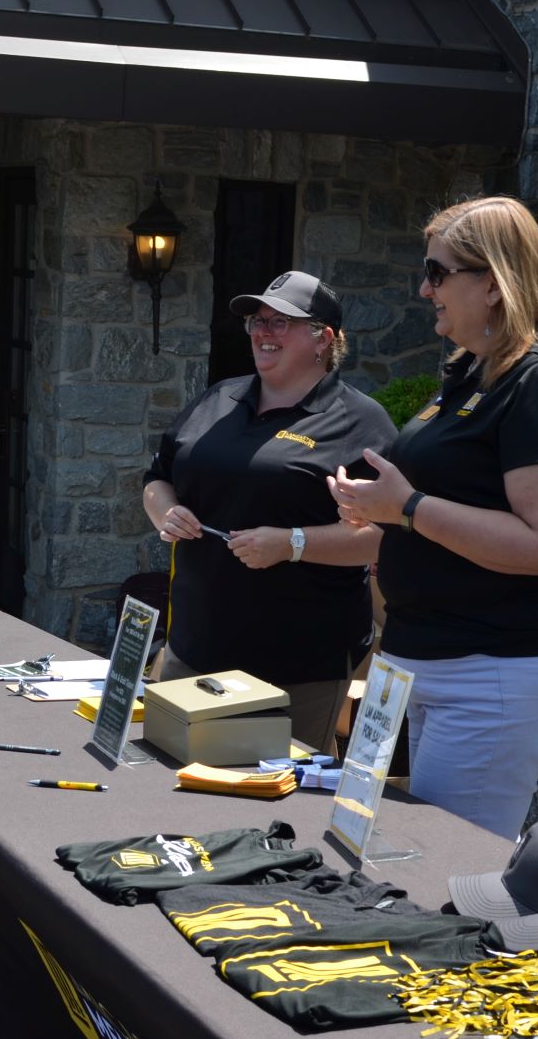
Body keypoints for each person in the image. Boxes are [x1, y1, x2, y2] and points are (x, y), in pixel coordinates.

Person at [328, 196, 538, 839]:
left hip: (495, 669)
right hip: (435, 662)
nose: (425, 289)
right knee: (418, 856)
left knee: (452, 870)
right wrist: (380, 513)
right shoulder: (472, 372)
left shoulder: (537, 379)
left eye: (438, 271)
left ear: (494, 281)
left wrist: (409, 509)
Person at [142, 271, 396, 751]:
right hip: (192, 651)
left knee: (278, 807)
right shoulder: (219, 397)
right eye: (258, 321)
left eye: (281, 323)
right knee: (168, 794)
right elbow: (156, 478)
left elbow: (386, 533)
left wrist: (292, 544)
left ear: (323, 339)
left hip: (296, 668)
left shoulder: (360, 422)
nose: (263, 332)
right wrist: (166, 512)